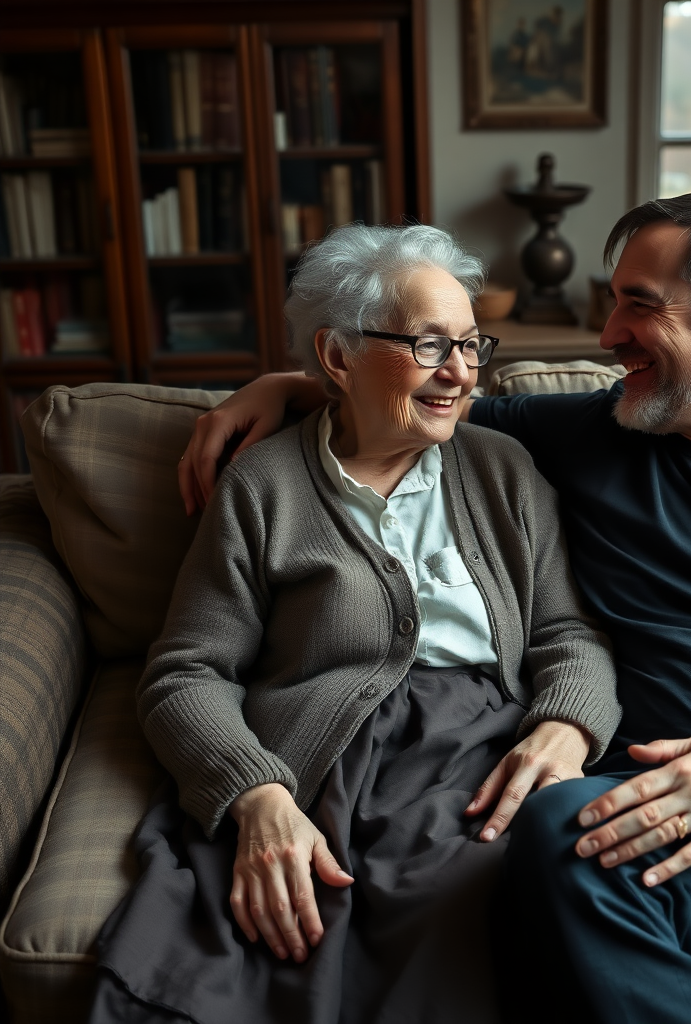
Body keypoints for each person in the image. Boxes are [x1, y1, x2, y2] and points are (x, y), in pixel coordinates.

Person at [179, 190, 691, 1024]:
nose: (606, 337)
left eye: (638, 305)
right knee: (563, 824)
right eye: (612, 301)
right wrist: (288, 384)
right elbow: (414, 399)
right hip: (641, 825)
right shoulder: (582, 433)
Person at [90, 223, 619, 1024]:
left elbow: (568, 635)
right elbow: (187, 671)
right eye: (431, 344)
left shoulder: (503, 470)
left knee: (474, 905)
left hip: (476, 760)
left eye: (473, 345)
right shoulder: (262, 487)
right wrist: (256, 795)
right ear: (337, 357)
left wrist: (569, 727)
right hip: (317, 756)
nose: (460, 372)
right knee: (250, 933)